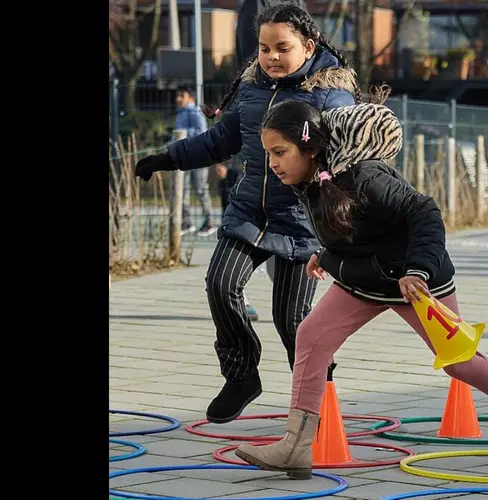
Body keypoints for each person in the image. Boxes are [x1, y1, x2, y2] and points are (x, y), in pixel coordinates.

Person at [233, 99, 488, 478]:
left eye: (280, 152)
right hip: (367, 281)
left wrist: (419, 271)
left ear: (309, 148)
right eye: (269, 154)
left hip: (417, 283)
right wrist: (325, 257)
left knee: (458, 362)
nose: (273, 163)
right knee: (311, 336)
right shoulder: (312, 180)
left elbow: (425, 213)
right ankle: (296, 445)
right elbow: (358, 230)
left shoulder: (366, 179)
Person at [134, 3, 360, 424]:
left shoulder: (330, 96)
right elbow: (220, 140)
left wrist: (345, 219)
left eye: (282, 47)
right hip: (248, 213)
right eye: (263, 48)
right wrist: (166, 158)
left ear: (308, 47)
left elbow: (351, 158)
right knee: (220, 285)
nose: (272, 57)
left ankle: (319, 403)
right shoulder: (253, 88)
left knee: (292, 322)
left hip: (301, 222)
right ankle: (241, 376)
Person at [214, 160, 277, 322]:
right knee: (230, 266)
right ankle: (241, 302)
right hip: (244, 212)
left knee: (275, 263)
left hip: (274, 207)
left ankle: (292, 304)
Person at [174, 86, 217, 236]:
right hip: (185, 156)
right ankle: (187, 222)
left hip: (199, 156)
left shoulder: (195, 112)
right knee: (183, 190)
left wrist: (183, 134)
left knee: (200, 189)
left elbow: (202, 132)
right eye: (177, 96)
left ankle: (209, 222)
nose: (178, 99)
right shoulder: (180, 113)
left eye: (182, 96)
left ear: (191, 98)